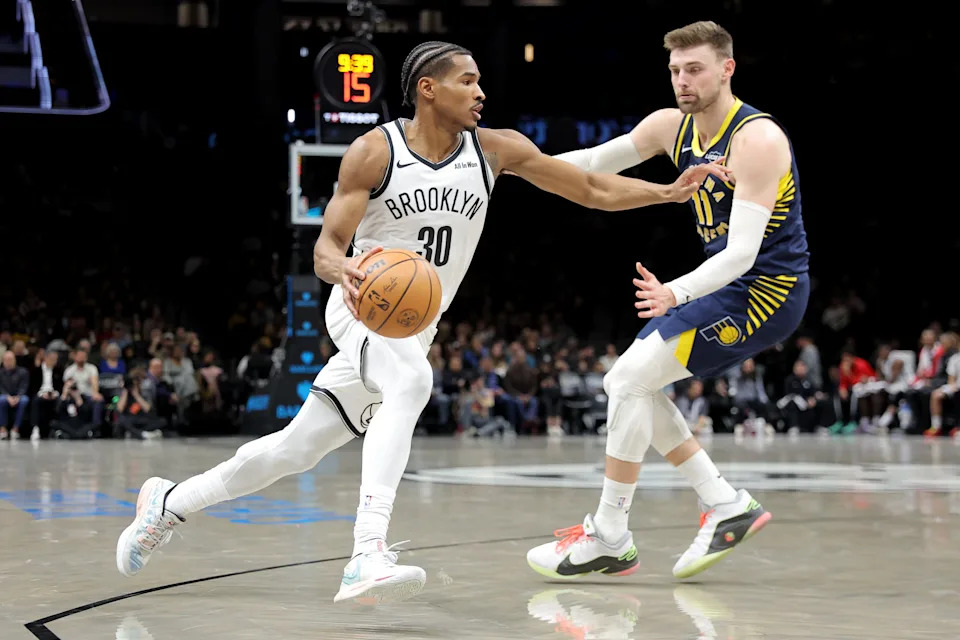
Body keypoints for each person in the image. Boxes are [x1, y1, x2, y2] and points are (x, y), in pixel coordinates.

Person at [115, 40, 728, 604]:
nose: (481, 92)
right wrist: (346, 271)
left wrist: (668, 194)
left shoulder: (495, 150)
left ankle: (166, 503)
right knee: (410, 382)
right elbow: (326, 249)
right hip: (361, 305)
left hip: (413, 326)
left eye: (481, 81)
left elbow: (592, 187)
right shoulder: (374, 150)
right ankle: (365, 554)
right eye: (468, 81)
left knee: (293, 451)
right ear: (428, 89)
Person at [526, 20, 810, 581]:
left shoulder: (758, 139)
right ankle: (724, 504)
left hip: (767, 291)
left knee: (628, 380)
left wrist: (673, 291)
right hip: (720, 286)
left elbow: (743, 256)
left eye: (695, 69)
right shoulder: (669, 125)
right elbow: (593, 163)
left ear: (727, 69)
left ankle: (611, 534)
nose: (682, 80)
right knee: (627, 383)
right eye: (676, 70)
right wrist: (518, 163)